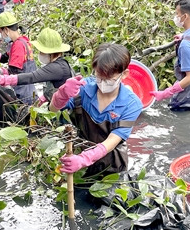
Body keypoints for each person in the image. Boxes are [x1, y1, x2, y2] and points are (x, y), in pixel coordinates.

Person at [49, 43, 143, 177]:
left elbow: (113, 140)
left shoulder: (132, 104)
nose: (103, 83)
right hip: (80, 152)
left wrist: (84, 159)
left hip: (111, 163)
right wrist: (61, 94)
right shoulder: (83, 88)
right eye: (99, 77)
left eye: (109, 79)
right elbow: (53, 109)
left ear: (124, 74)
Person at [0, 28, 74, 104]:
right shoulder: (59, 64)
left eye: (41, 51)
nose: (40, 53)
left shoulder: (56, 68)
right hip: (41, 97)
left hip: (64, 108)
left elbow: (31, 77)